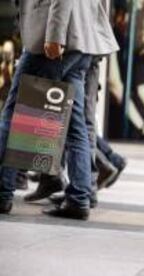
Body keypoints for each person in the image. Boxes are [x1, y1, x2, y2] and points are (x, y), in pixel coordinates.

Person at [0, 0, 119, 220]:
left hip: (55, 40)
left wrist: (55, 36)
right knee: (75, 125)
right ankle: (79, 198)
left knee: (15, 114)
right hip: (81, 40)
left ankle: (2, 192)